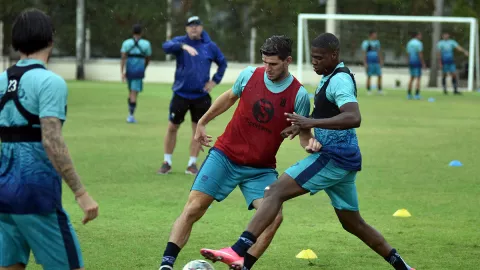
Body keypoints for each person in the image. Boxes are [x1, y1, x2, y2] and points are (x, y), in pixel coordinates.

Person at [201, 33, 416, 270]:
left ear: (334, 55)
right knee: (353, 223)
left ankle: (238, 251)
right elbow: (328, 113)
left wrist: (310, 123)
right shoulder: (329, 75)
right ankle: (403, 266)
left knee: (273, 192)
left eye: (319, 58)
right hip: (345, 160)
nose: (314, 62)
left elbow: (353, 117)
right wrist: (302, 125)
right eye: (312, 57)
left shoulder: (339, 81)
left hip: (333, 157)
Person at [158, 35, 312, 270]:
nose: (267, 68)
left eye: (273, 64)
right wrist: (202, 121)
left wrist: (309, 143)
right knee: (194, 208)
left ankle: (243, 265)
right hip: (225, 156)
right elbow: (229, 97)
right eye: (265, 62)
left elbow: (303, 135)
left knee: (275, 217)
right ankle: (166, 265)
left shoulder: (299, 95)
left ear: (288, 60)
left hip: (260, 169)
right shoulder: (250, 75)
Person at [0, 8, 99, 270]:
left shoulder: (1, 80)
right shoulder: (49, 82)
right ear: (50, 40)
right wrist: (81, 193)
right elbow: (52, 140)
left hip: (4, 193)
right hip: (36, 194)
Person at [158, 16, 228, 175]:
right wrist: (183, 46)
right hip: (181, 94)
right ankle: (167, 161)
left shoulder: (209, 46)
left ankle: (192, 164)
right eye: (191, 25)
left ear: (201, 27)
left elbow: (222, 63)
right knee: (172, 127)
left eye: (197, 25)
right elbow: (165, 46)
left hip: (201, 96)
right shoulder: (180, 42)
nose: (194, 28)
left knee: (198, 129)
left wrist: (214, 81)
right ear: (186, 28)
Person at [120, 23, 152, 123]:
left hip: (129, 70)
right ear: (141, 33)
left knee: (130, 92)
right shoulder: (146, 44)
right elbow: (148, 58)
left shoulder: (126, 43)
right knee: (134, 93)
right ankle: (131, 115)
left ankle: (130, 113)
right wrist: (144, 68)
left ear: (132, 32)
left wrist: (122, 72)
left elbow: (123, 58)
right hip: (138, 71)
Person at [361, 30, 384, 95]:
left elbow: (379, 52)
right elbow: (364, 53)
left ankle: (379, 90)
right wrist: (365, 63)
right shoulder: (366, 43)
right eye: (374, 34)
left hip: (376, 62)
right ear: (371, 35)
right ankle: (369, 90)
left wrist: (381, 61)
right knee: (369, 76)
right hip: (369, 62)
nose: (376, 36)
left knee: (379, 75)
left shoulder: (377, 43)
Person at [406, 32, 426, 100]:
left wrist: (408, 62)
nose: (421, 36)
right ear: (417, 35)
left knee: (411, 78)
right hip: (417, 62)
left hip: (411, 62)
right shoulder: (419, 43)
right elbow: (420, 54)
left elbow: (408, 53)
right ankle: (417, 95)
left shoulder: (409, 43)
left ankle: (409, 94)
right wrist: (423, 63)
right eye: (420, 35)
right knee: (418, 78)